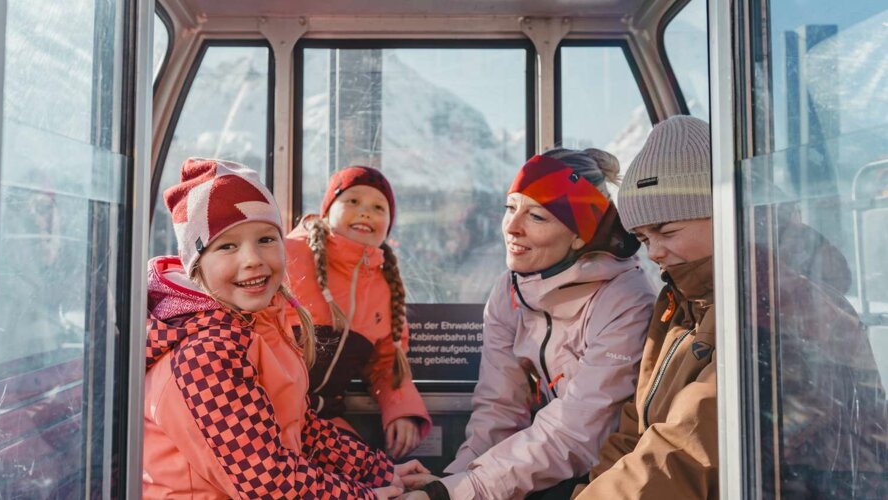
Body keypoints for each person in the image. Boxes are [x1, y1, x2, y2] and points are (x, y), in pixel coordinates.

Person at [571, 115, 886, 498]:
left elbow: (690, 447)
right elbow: (636, 427)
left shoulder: (777, 303)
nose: (654, 252)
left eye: (667, 231)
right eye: (642, 237)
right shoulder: (681, 301)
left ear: (728, 216)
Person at [142, 158, 423, 498]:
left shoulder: (260, 323)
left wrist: (380, 472)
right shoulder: (203, 354)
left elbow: (300, 428)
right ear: (197, 264)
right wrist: (366, 495)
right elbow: (268, 483)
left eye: (265, 239)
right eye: (227, 246)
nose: (253, 259)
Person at [406, 148, 657, 499]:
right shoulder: (509, 290)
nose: (511, 226)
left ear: (580, 235)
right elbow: (499, 407)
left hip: (611, 473)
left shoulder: (625, 299)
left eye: (537, 216)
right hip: (544, 463)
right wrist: (451, 482)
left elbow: (579, 430)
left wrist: (459, 492)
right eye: (510, 208)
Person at [285, 166, 431, 459]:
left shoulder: (383, 287)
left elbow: (387, 363)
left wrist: (402, 410)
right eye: (352, 202)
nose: (365, 212)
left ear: (388, 225)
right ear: (327, 211)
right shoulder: (289, 256)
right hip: (271, 414)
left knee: (380, 479)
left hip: (322, 420)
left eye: (378, 207)